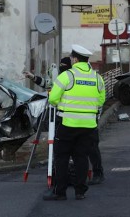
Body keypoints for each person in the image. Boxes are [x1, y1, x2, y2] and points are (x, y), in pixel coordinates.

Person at [24, 56, 106, 186]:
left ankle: (96, 173)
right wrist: (33, 77)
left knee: (89, 149)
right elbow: (48, 84)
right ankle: (77, 183)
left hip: (86, 119)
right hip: (68, 119)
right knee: (76, 153)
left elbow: (96, 99)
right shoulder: (65, 77)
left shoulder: (75, 77)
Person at [43, 44, 106, 201]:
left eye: (71, 58)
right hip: (89, 126)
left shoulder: (67, 76)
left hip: (67, 124)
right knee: (81, 158)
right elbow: (101, 100)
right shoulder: (97, 78)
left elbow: (52, 99)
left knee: (62, 157)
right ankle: (80, 192)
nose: (71, 60)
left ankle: (60, 192)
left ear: (75, 59)